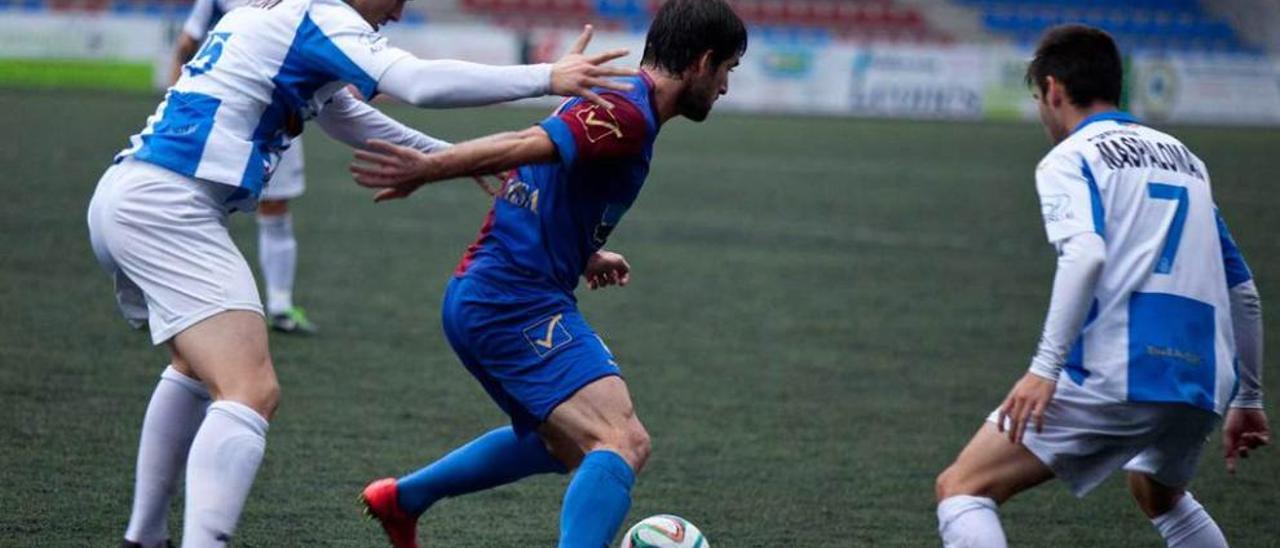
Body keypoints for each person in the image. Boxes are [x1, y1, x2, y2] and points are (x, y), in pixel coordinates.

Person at [89, 0, 635, 544]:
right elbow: (417, 81)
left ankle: (145, 535)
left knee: (192, 368)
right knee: (249, 389)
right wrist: (546, 77)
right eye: (397, 1)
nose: (397, 14)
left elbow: (342, 115)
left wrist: (449, 157)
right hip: (169, 206)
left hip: (134, 194)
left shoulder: (274, 13)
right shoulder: (320, 15)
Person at [348, 1, 747, 546]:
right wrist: (429, 167)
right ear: (703, 62)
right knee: (620, 441)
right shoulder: (626, 112)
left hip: (503, 293)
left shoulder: (621, 101)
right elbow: (525, 144)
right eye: (727, 69)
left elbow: (546, 176)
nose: (725, 86)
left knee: (559, 444)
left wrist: (583, 252)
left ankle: (403, 500)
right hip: (508, 301)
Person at [933, 25, 1269, 547]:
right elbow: (1242, 289)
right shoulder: (1187, 161)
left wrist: (1044, 369)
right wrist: (1248, 396)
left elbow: (1086, 253)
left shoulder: (1071, 157)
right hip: (1204, 378)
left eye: (1039, 98)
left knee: (962, 488)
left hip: (1121, 370)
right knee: (1157, 492)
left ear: (1054, 90)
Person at [172, 0, 317, 334]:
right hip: (228, 116)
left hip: (275, 115)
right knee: (197, 202)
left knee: (273, 205)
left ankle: (280, 305)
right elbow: (187, 42)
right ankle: (181, 297)